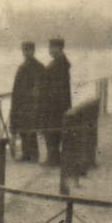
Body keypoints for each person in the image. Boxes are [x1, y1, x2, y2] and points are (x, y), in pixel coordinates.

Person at [8, 40, 44, 163]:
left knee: (29, 129)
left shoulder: (33, 67)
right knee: (25, 129)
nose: (26, 53)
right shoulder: (33, 67)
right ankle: (27, 153)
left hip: (29, 103)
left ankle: (31, 154)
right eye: (25, 50)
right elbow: (16, 89)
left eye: (28, 50)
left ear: (33, 51)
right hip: (25, 103)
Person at [39, 37, 72, 167]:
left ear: (58, 48)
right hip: (60, 104)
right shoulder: (62, 63)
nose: (50, 50)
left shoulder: (57, 65)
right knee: (54, 130)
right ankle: (54, 157)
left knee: (51, 130)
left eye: (51, 47)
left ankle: (53, 158)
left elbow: (52, 86)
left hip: (53, 105)